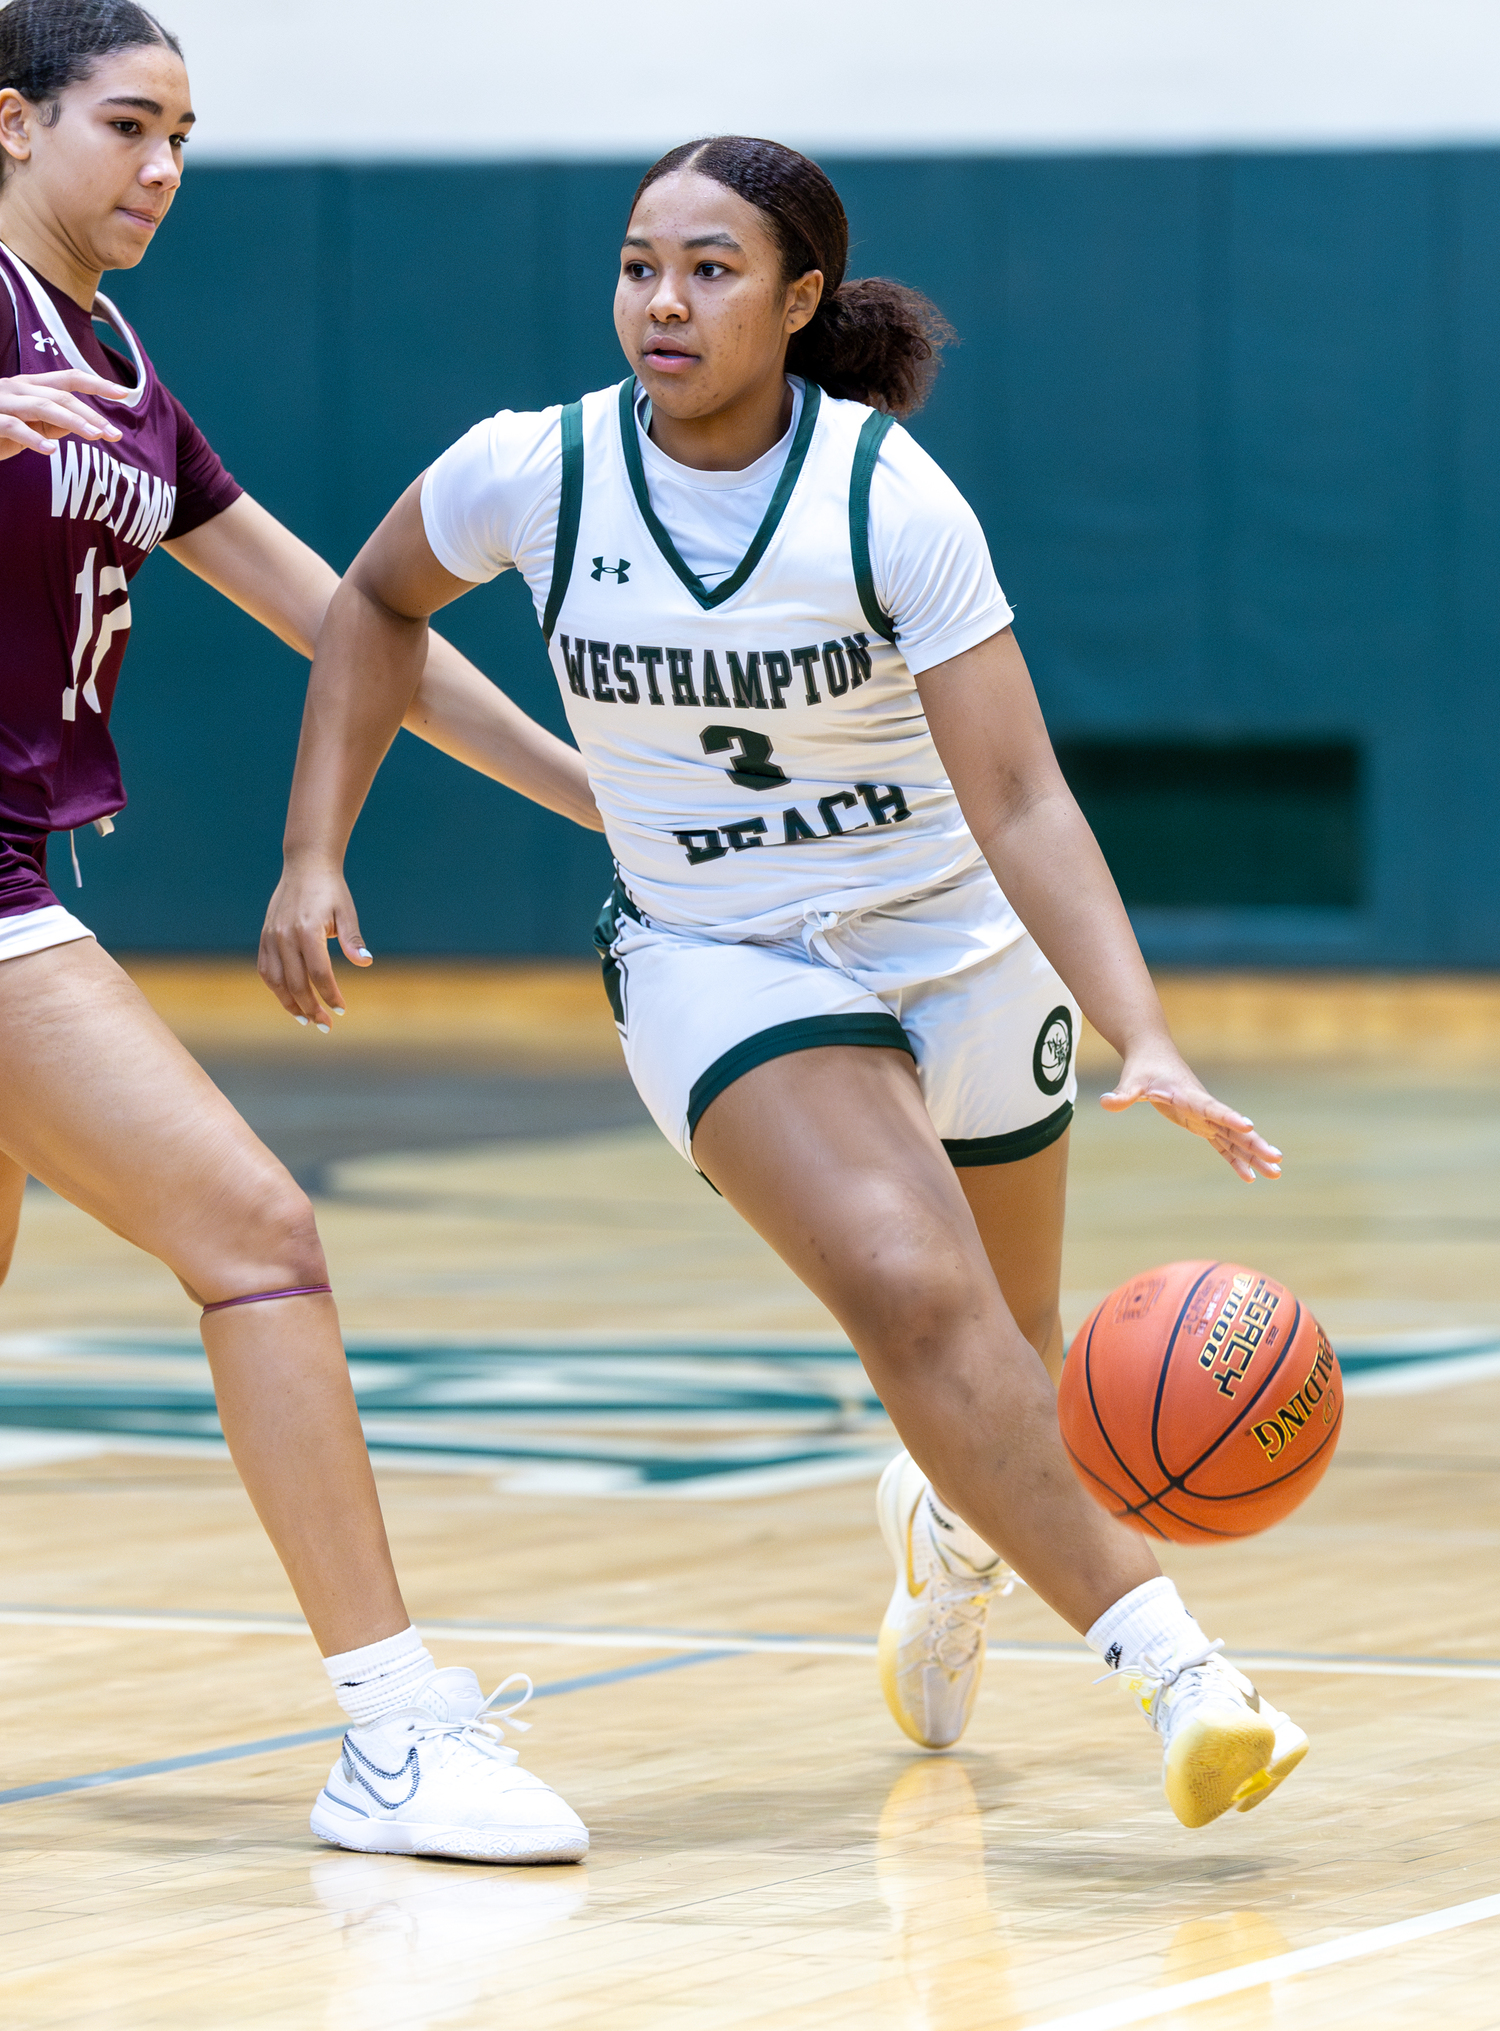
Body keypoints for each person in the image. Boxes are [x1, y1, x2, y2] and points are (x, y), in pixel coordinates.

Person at [261, 134, 1308, 1830]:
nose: (660, 302)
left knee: (1000, 1356)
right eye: (636, 264)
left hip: (957, 943)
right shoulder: (538, 472)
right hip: (716, 953)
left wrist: (1150, 1033)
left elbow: (1024, 796)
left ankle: (947, 1543)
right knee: (912, 1296)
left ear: (802, 296)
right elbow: (375, 601)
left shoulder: (885, 496)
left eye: (712, 269)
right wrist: (318, 846)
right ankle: (1183, 1676)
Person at [0, 0, 595, 1861]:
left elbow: (350, 622)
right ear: (10, 122)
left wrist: (606, 797)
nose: (165, 167)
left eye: (186, 131)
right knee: (257, 1234)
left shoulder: (107, 357)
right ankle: (394, 1727)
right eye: (126, 125)